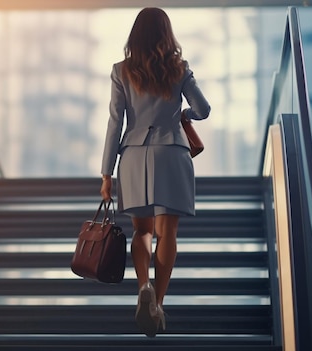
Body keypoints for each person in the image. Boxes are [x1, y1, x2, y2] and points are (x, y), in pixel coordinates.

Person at [99, 7, 210, 337]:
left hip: (134, 155)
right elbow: (203, 109)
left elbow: (114, 122)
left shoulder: (121, 71)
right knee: (168, 234)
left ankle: (143, 285)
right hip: (172, 152)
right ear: (167, 34)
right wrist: (183, 113)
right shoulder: (179, 69)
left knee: (142, 232)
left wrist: (106, 174)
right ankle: (158, 303)